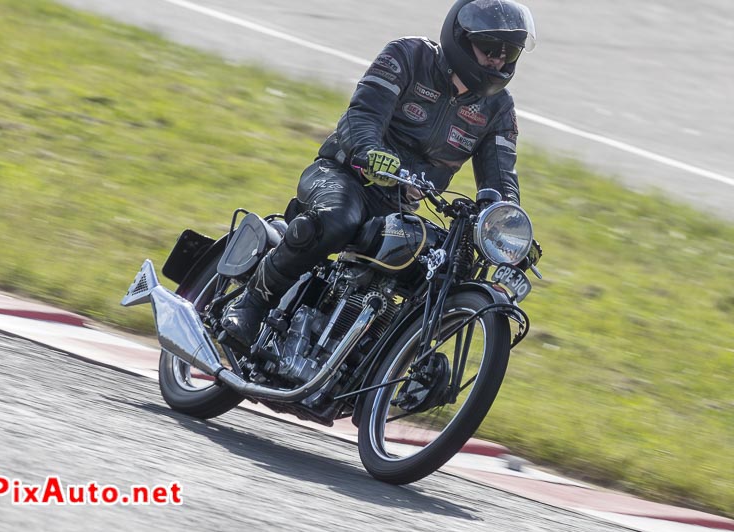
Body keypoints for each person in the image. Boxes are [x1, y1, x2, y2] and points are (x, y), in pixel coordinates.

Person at [221, 0, 541, 347]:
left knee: (447, 269)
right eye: (490, 48)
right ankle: (251, 302)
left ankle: (383, 355)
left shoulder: (498, 109)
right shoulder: (409, 55)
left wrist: (509, 231)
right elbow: (362, 115)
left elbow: (500, 180)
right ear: (461, 40)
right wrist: (371, 152)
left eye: (509, 53)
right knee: (339, 218)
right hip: (344, 175)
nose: (498, 59)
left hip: (400, 204)